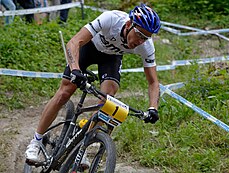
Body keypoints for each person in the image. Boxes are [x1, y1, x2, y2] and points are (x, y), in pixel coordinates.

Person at [25, 3, 161, 165]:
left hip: (110, 58)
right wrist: (75, 70)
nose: (140, 41)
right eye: (139, 34)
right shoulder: (111, 19)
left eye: (146, 37)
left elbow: (153, 82)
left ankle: (82, 146)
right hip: (88, 48)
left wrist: (153, 107)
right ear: (128, 24)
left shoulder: (146, 45)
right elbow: (74, 42)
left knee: (107, 100)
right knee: (65, 91)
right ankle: (36, 141)